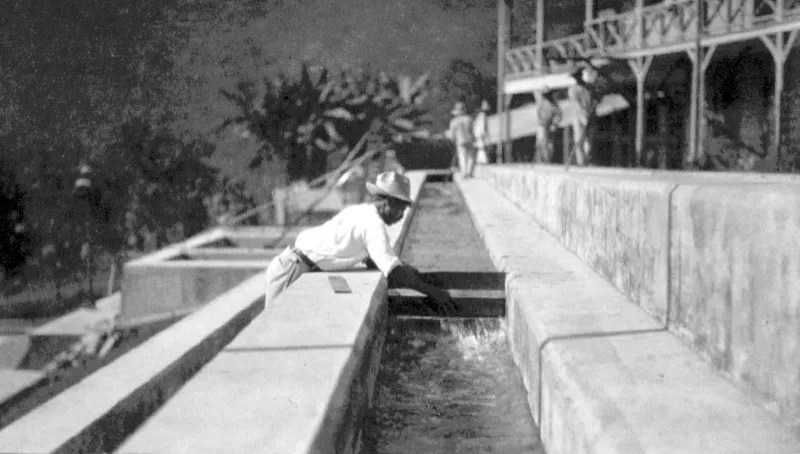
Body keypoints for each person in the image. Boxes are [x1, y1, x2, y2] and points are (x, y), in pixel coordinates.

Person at [265, 171, 455, 308]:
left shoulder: (360, 212)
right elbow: (394, 273)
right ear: (388, 202)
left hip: (299, 264)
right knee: (273, 331)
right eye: (400, 209)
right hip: (291, 268)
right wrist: (432, 292)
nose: (401, 216)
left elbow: (375, 261)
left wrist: (413, 274)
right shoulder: (372, 225)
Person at [567, 66, 599, 166]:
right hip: (579, 116)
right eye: (576, 76)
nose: (578, 77)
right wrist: (584, 113)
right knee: (579, 139)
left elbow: (594, 100)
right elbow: (576, 103)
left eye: (579, 75)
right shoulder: (573, 89)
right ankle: (581, 162)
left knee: (589, 139)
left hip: (590, 115)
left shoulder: (588, 87)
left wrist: (592, 108)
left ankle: (587, 158)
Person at [446, 102, 476, 178]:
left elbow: (452, 134)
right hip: (469, 139)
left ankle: (464, 173)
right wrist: (474, 138)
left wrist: (453, 139)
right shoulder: (469, 119)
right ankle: (469, 172)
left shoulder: (453, 122)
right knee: (470, 157)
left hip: (460, 140)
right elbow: (472, 131)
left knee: (462, 157)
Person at [535, 89, 562, 164]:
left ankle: (547, 160)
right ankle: (540, 160)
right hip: (542, 125)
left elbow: (559, 115)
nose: (546, 96)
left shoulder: (553, 103)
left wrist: (554, 123)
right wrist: (539, 122)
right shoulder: (541, 103)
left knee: (549, 143)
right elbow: (538, 113)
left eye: (547, 94)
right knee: (541, 142)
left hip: (550, 126)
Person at [473, 100, 491, 165]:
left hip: (478, 134)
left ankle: (480, 160)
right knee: (482, 147)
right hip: (480, 134)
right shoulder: (483, 115)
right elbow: (482, 126)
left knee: (481, 147)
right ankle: (483, 160)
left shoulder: (480, 115)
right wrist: (484, 133)